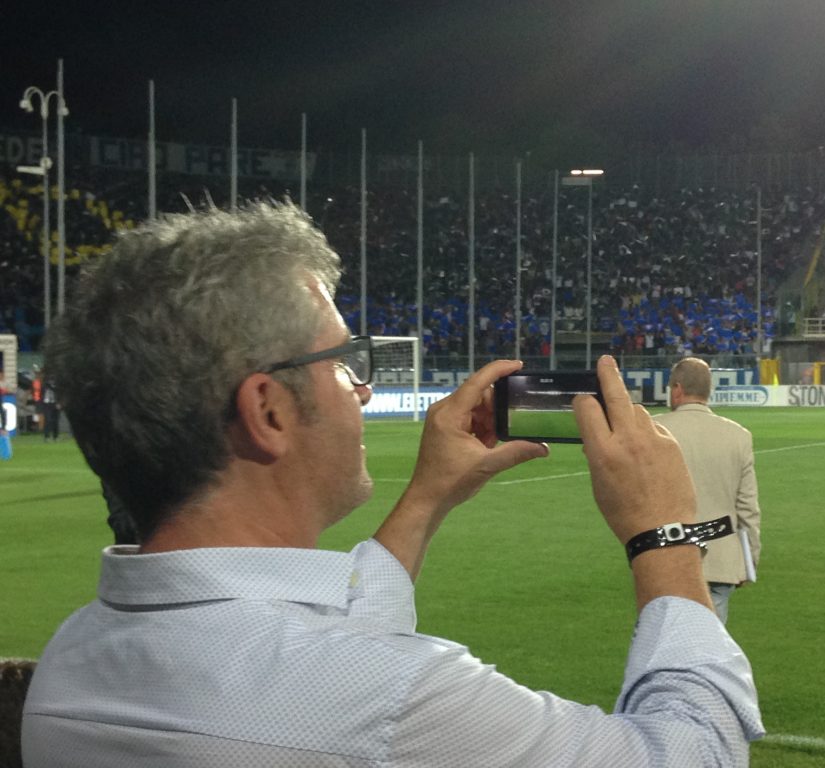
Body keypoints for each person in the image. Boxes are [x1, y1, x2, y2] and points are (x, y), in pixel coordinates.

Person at [25, 202, 763, 766]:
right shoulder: (386, 698)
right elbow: (693, 750)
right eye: (347, 363)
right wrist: (664, 535)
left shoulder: (72, 659)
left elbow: (303, 643)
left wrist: (428, 495)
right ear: (268, 410)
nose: (364, 391)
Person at [654, 357, 762, 624]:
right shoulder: (739, 436)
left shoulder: (654, 430)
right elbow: (748, 509)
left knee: (665, 649)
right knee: (708, 654)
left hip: (666, 560)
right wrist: (749, 562)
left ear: (677, 389)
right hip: (720, 561)